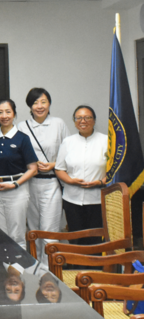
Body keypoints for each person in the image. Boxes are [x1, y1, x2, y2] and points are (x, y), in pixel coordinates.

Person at [17, 88, 71, 267]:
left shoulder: (59, 124)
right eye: (35, 102)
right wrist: (30, 166)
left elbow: (69, 153)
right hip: (29, 183)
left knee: (50, 230)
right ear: (29, 106)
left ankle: (51, 273)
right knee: (33, 229)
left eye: (43, 101)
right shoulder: (22, 127)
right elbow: (16, 154)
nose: (39, 106)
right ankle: (36, 268)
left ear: (49, 104)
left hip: (52, 183)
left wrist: (53, 165)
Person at [0, 99, 38, 249]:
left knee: (17, 235)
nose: (4, 115)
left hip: (17, 190)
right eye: (0, 112)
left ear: (14, 114)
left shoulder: (22, 138)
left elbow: (33, 168)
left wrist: (15, 184)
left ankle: (17, 272)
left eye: (8, 112)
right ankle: (5, 270)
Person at [55, 105, 107, 245]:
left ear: (94, 120)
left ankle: (95, 267)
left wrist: (100, 182)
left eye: (87, 117)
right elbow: (59, 169)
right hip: (72, 200)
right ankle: (76, 266)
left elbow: (114, 171)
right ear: (74, 121)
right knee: (76, 238)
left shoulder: (106, 141)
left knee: (95, 239)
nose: (83, 121)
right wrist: (71, 181)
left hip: (97, 200)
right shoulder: (68, 142)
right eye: (79, 118)